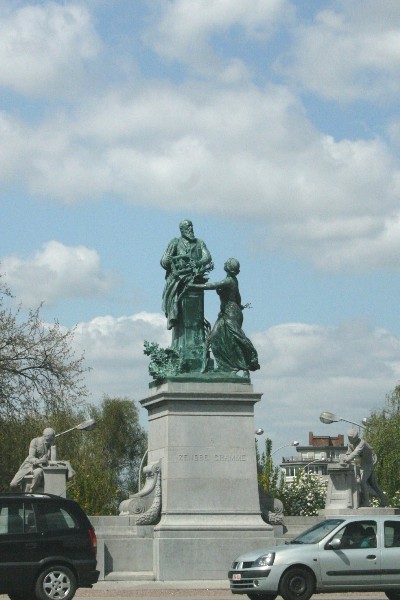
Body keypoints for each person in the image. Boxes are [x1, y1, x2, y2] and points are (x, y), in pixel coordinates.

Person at [190, 257, 260, 375]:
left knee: (234, 340)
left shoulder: (229, 281)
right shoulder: (233, 280)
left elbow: (212, 286)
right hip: (227, 313)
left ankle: (244, 368)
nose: (224, 263)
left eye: (226, 263)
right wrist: (239, 305)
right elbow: (238, 296)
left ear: (229, 268)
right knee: (212, 338)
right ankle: (219, 367)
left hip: (231, 314)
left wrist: (193, 286)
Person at [160, 219, 213, 335]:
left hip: (196, 280)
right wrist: (168, 260)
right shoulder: (175, 242)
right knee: (174, 292)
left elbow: (207, 257)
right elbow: (163, 261)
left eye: (191, 226)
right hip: (179, 279)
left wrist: (198, 263)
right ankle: (173, 314)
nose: (190, 229)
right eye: (187, 227)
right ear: (182, 230)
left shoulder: (200, 243)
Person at [10, 428, 75, 493]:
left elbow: (54, 461)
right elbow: (31, 458)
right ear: (43, 436)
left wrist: (53, 448)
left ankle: (30, 493)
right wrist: (40, 461)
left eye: (51, 440)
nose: (48, 441)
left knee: (38, 473)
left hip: (40, 468)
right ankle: (20, 497)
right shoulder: (35, 441)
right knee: (13, 484)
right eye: (47, 439)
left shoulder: (52, 444)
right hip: (29, 466)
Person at [343, 429, 387, 507]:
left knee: (363, 482)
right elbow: (350, 454)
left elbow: (356, 452)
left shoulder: (362, 443)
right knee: (371, 484)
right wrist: (345, 458)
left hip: (368, 464)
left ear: (355, 437)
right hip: (359, 462)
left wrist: (347, 459)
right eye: (348, 437)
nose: (349, 439)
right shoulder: (351, 444)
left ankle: (367, 502)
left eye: (350, 438)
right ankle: (382, 499)